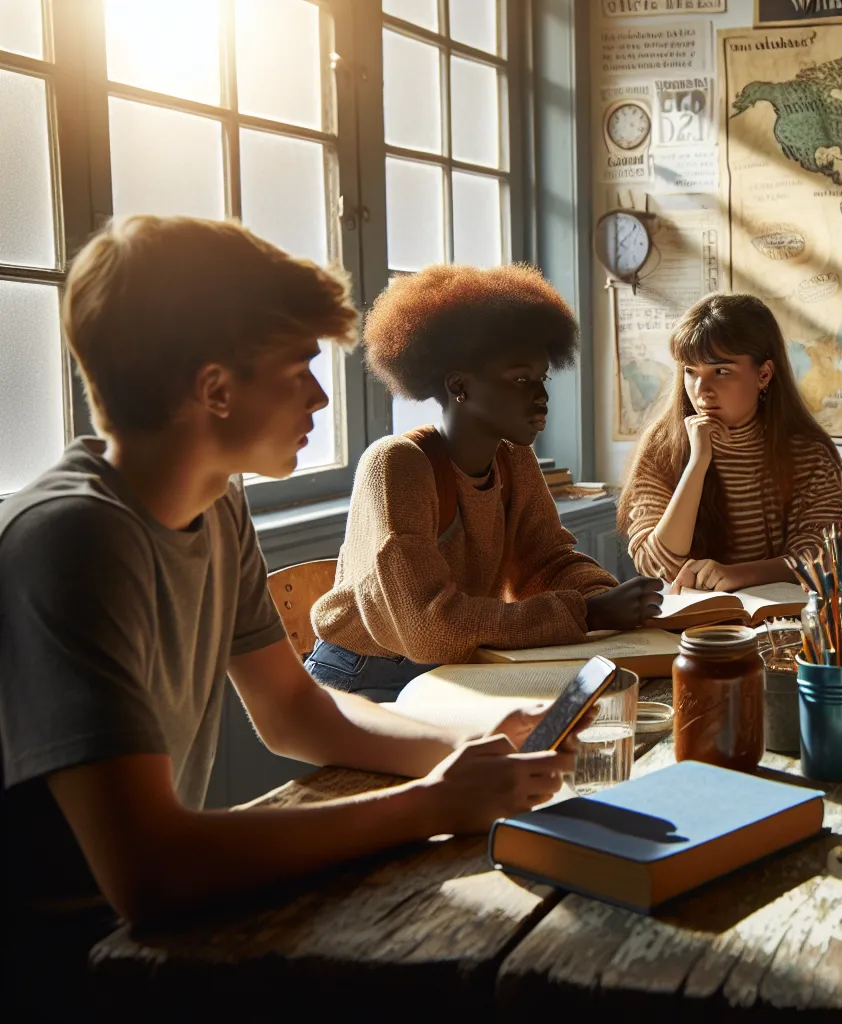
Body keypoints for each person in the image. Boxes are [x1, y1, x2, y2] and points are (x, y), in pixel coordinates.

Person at [0, 217, 573, 1014]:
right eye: (299, 367)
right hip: (62, 966)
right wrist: (430, 805)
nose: (320, 395)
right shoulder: (74, 539)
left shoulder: (219, 503)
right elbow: (150, 870)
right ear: (215, 388)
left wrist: (477, 747)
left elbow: (293, 709)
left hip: (145, 939)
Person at [309, 264, 661, 700]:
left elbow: (545, 562)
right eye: (520, 379)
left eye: (542, 378)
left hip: (451, 661)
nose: (542, 396)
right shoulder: (396, 466)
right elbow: (428, 628)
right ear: (460, 385)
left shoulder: (513, 456)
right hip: (363, 674)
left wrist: (615, 601)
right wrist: (587, 614)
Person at [619, 293, 842, 590]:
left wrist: (738, 574)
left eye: (721, 371)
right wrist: (697, 465)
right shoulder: (662, 446)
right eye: (691, 371)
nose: (702, 390)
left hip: (780, 623)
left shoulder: (809, 453)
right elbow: (657, 562)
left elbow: (819, 556)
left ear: (763, 374)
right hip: (690, 626)